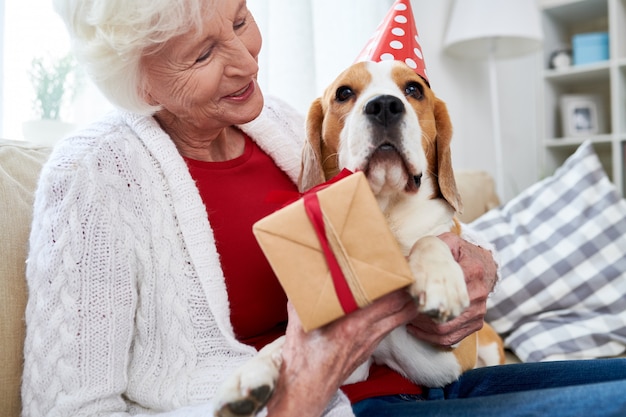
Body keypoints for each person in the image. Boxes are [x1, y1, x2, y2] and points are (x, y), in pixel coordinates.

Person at [21, 1, 626, 417]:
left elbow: (413, 224)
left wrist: (471, 270)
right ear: (141, 81)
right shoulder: (92, 178)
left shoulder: (285, 123)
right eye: (205, 54)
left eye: (241, 18)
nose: (246, 59)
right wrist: (303, 388)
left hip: (430, 379)